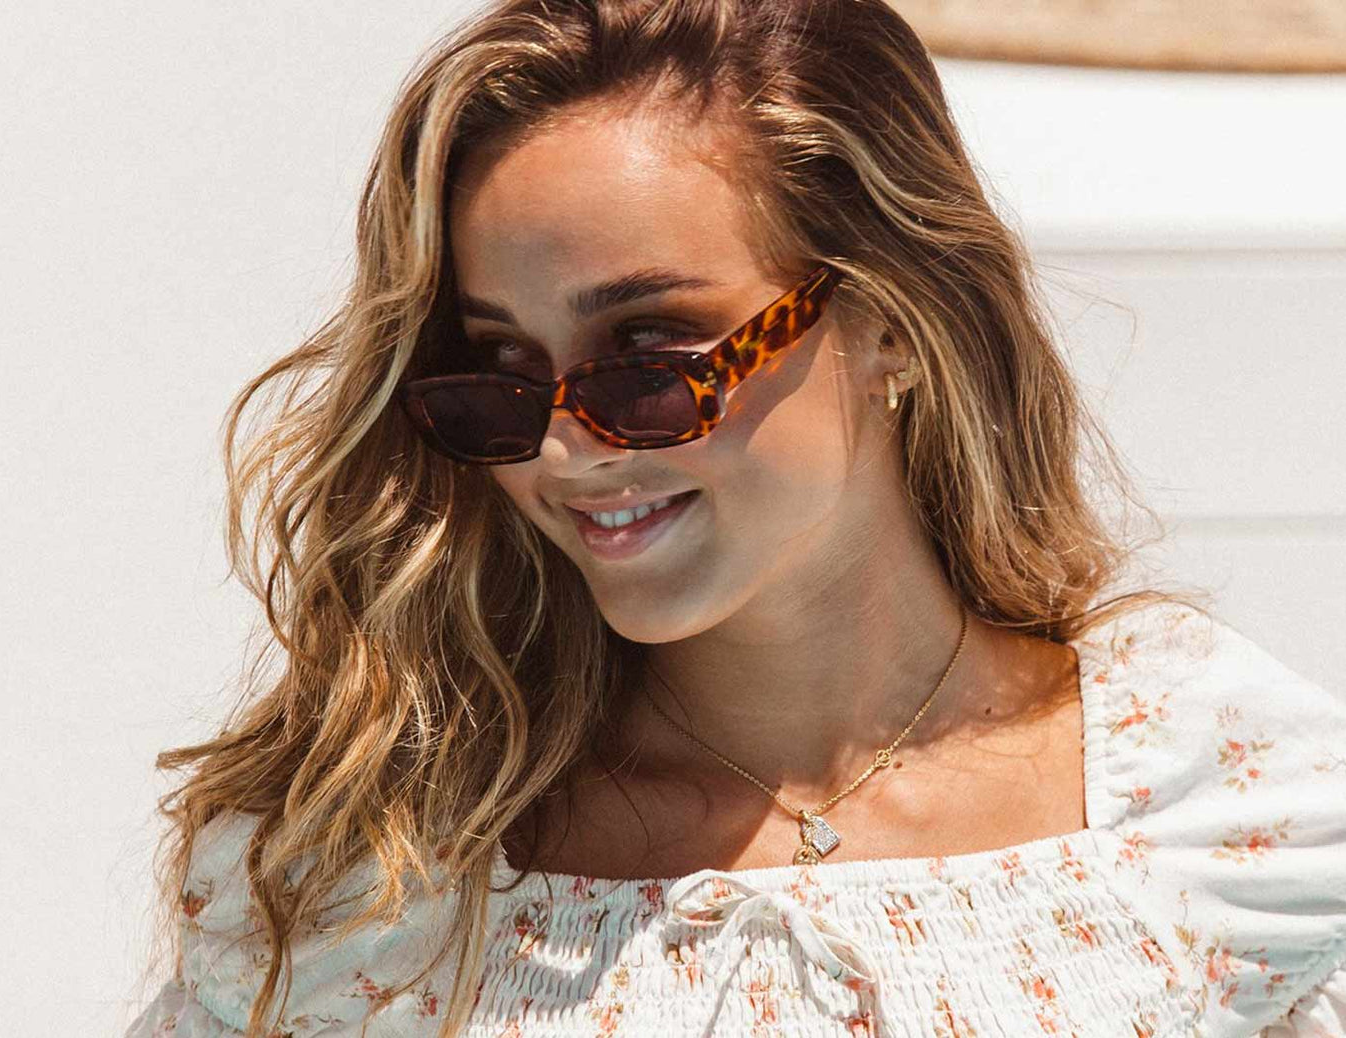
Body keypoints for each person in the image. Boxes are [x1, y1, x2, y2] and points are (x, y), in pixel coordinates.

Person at [124, 1, 1346, 1035]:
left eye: (646, 356)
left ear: (886, 322)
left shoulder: (1222, 817)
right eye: (499, 374)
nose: (562, 446)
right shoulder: (377, 885)